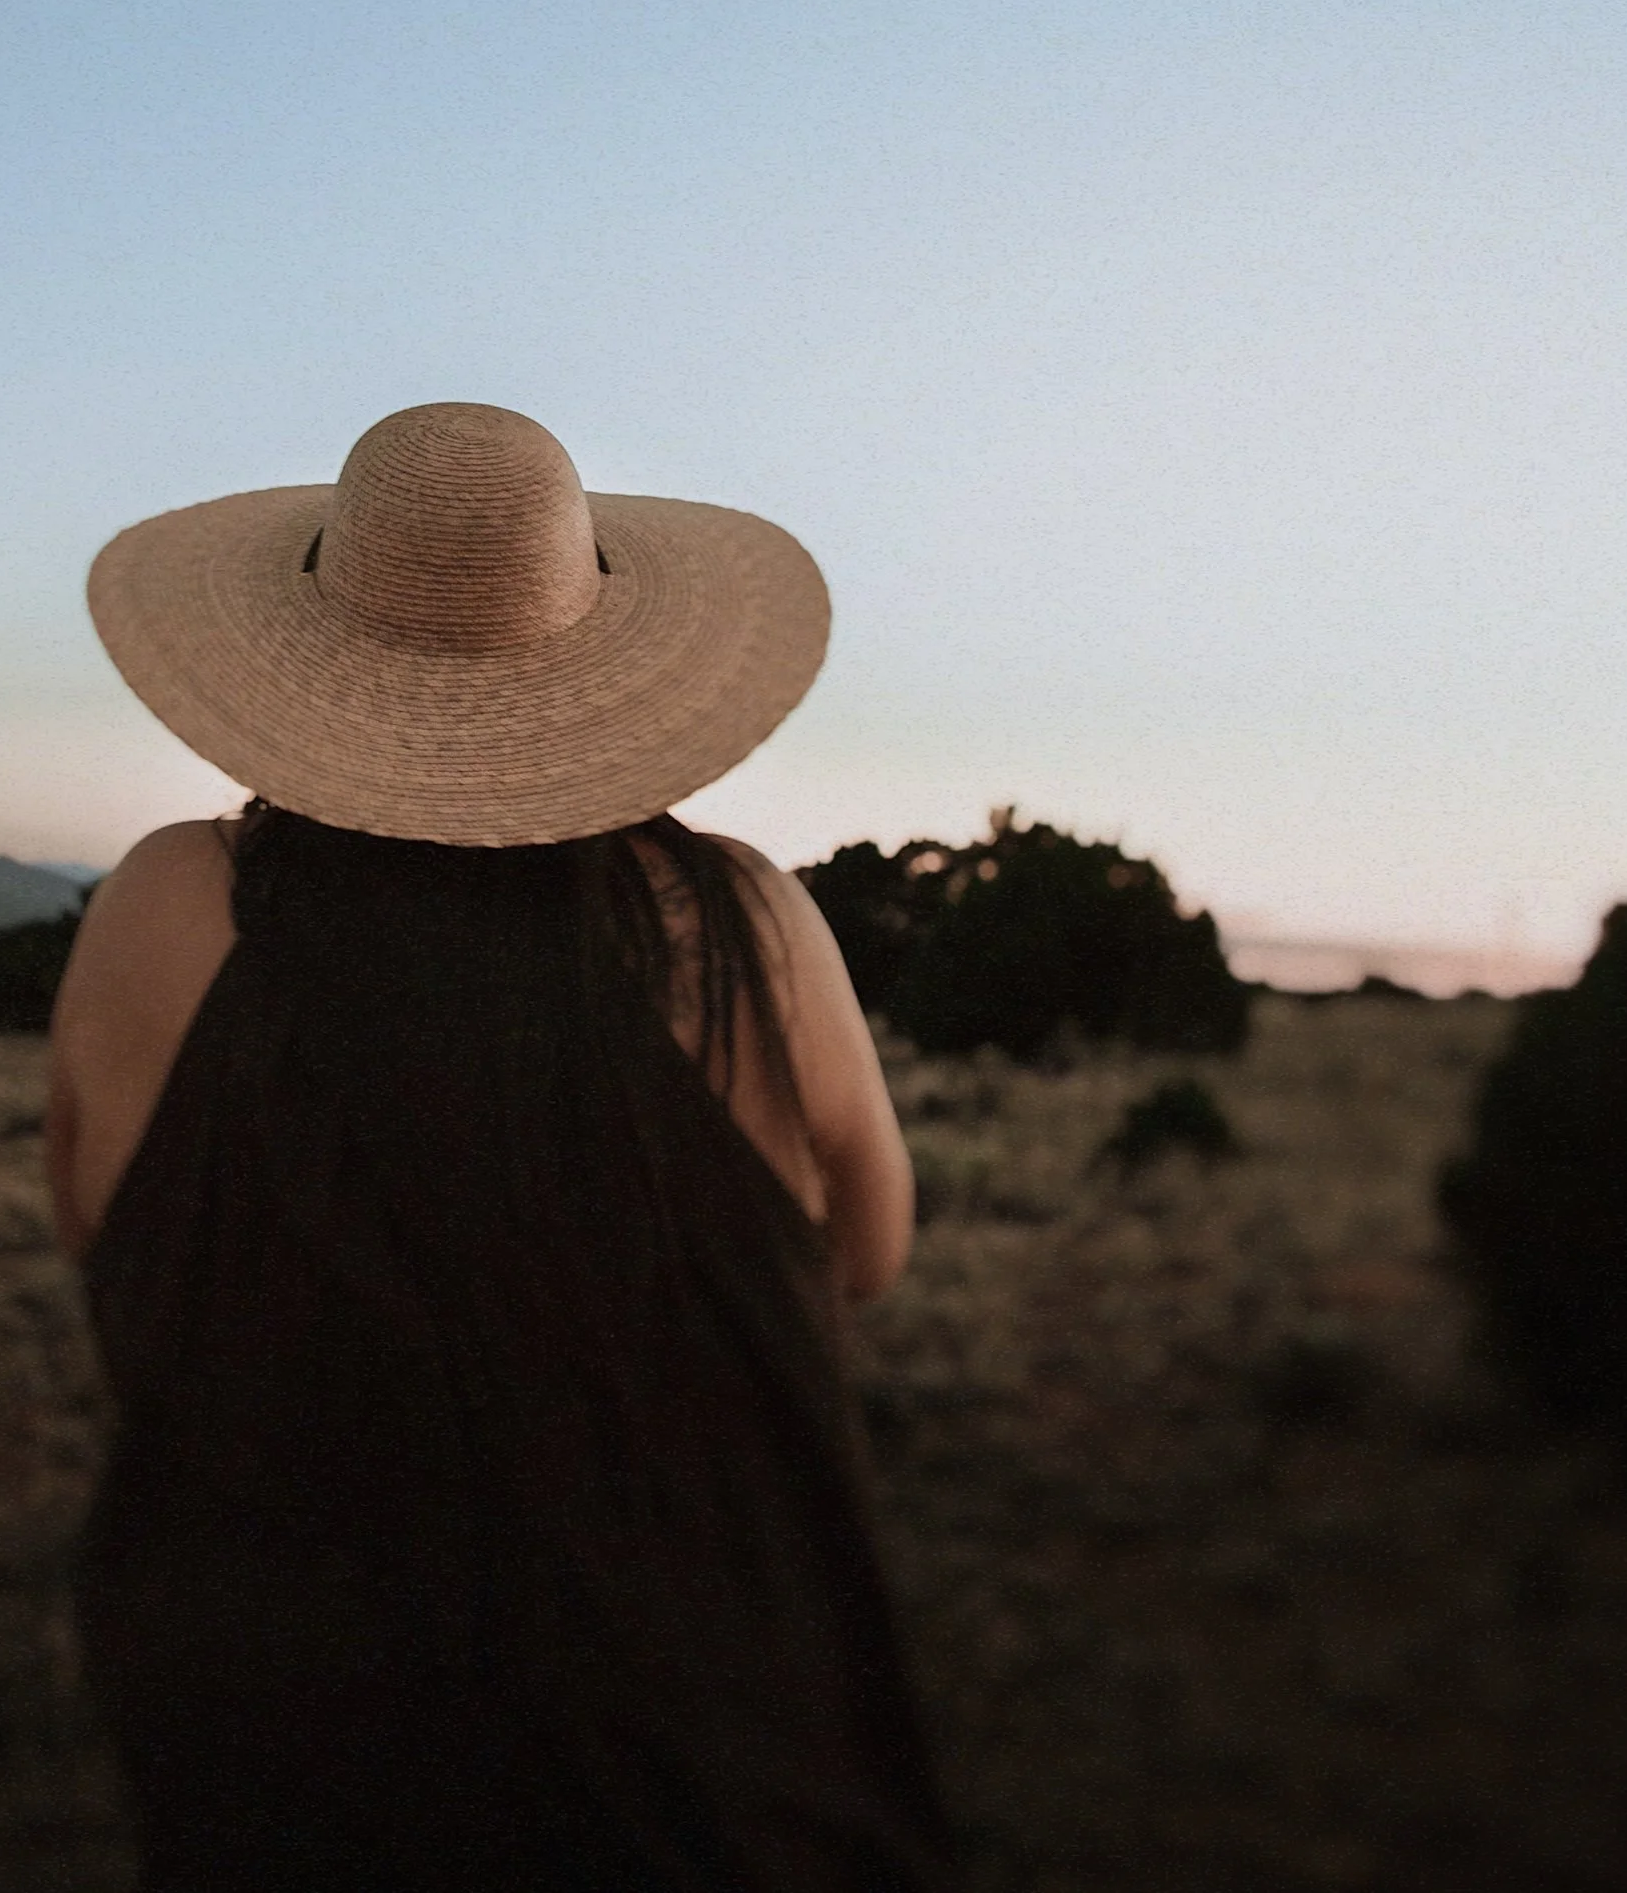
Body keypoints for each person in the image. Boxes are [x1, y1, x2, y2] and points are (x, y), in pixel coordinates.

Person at [47, 400, 954, 1893]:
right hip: (722, 1780)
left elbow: (104, 1242)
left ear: (303, 641)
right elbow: (865, 1253)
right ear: (596, 648)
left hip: (280, 1784)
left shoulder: (164, 909)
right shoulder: (747, 926)